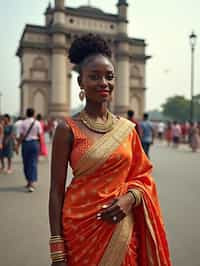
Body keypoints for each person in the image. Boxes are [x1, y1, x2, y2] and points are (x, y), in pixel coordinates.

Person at [49, 34, 171, 266]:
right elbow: (56, 191)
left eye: (109, 76)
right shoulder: (67, 129)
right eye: (94, 77)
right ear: (80, 82)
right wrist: (57, 248)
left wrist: (130, 198)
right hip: (79, 230)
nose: (103, 83)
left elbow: (143, 176)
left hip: (121, 226)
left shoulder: (127, 129)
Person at [19, 108, 42, 192]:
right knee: (33, 163)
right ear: (34, 114)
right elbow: (40, 135)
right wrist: (40, 146)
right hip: (35, 144)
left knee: (26, 163)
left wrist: (17, 146)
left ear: (26, 113)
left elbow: (21, 136)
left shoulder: (23, 123)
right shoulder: (37, 123)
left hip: (26, 144)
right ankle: (31, 183)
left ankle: (29, 182)